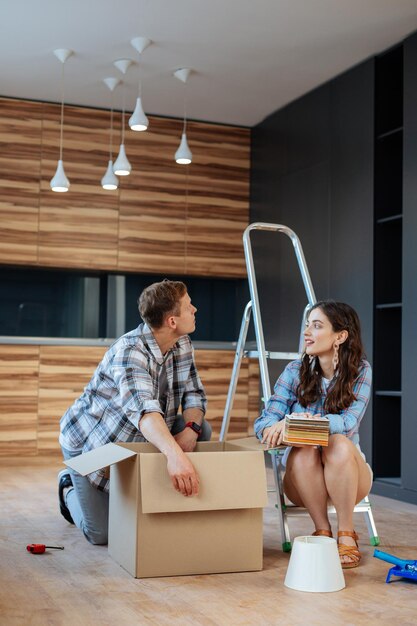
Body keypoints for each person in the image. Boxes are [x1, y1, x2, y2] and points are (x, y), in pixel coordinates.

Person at [58, 279, 210, 545]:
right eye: (188, 307)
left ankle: (167, 501)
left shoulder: (182, 343)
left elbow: (194, 395)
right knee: (101, 534)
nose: (195, 309)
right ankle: (67, 487)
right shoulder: (130, 351)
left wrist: (191, 431)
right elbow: (145, 412)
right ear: (172, 321)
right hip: (91, 446)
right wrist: (175, 456)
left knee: (203, 430)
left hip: (135, 439)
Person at [254, 300, 372, 569]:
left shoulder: (361, 372)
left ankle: (346, 534)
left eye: (316, 326)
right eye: (307, 325)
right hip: (302, 483)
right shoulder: (294, 372)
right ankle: (323, 532)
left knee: (339, 443)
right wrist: (283, 424)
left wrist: (300, 423)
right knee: (305, 448)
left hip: (349, 480)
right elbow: (263, 423)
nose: (307, 332)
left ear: (340, 336)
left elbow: (348, 421)